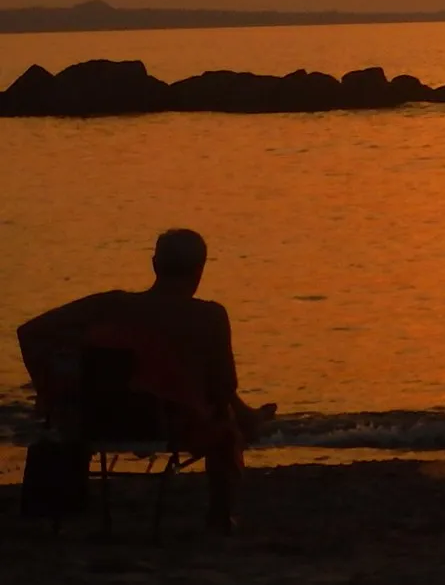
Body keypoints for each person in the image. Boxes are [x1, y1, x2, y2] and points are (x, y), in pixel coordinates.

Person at [17, 228, 275, 532]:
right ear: (199, 270)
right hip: (168, 424)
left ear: (155, 265)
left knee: (205, 403)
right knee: (225, 429)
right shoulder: (208, 316)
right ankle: (220, 515)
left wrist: (52, 389)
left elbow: (30, 333)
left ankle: (245, 417)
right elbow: (223, 386)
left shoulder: (110, 306)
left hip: (95, 421)